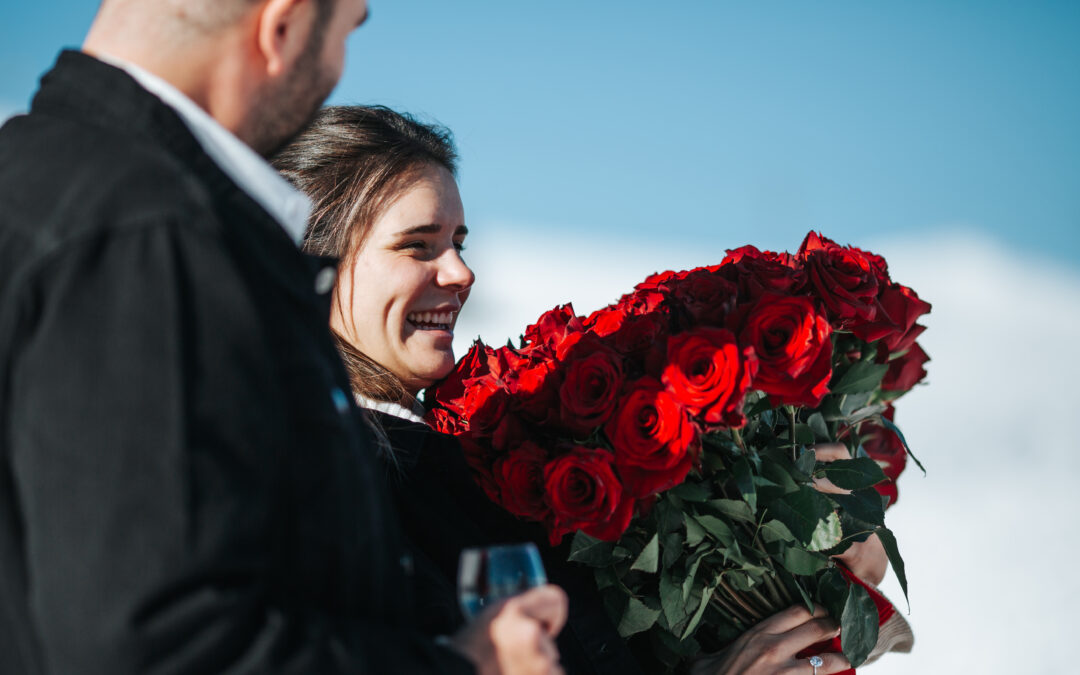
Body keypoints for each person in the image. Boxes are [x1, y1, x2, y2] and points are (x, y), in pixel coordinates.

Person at [0, 1, 566, 673]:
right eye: (347, 31)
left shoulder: (30, 179)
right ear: (284, 26)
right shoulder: (154, 231)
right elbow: (159, 641)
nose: (336, 73)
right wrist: (469, 664)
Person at [273, 105, 862, 675]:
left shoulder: (461, 457)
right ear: (310, 262)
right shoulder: (314, 484)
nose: (460, 273)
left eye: (458, 242)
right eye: (417, 245)